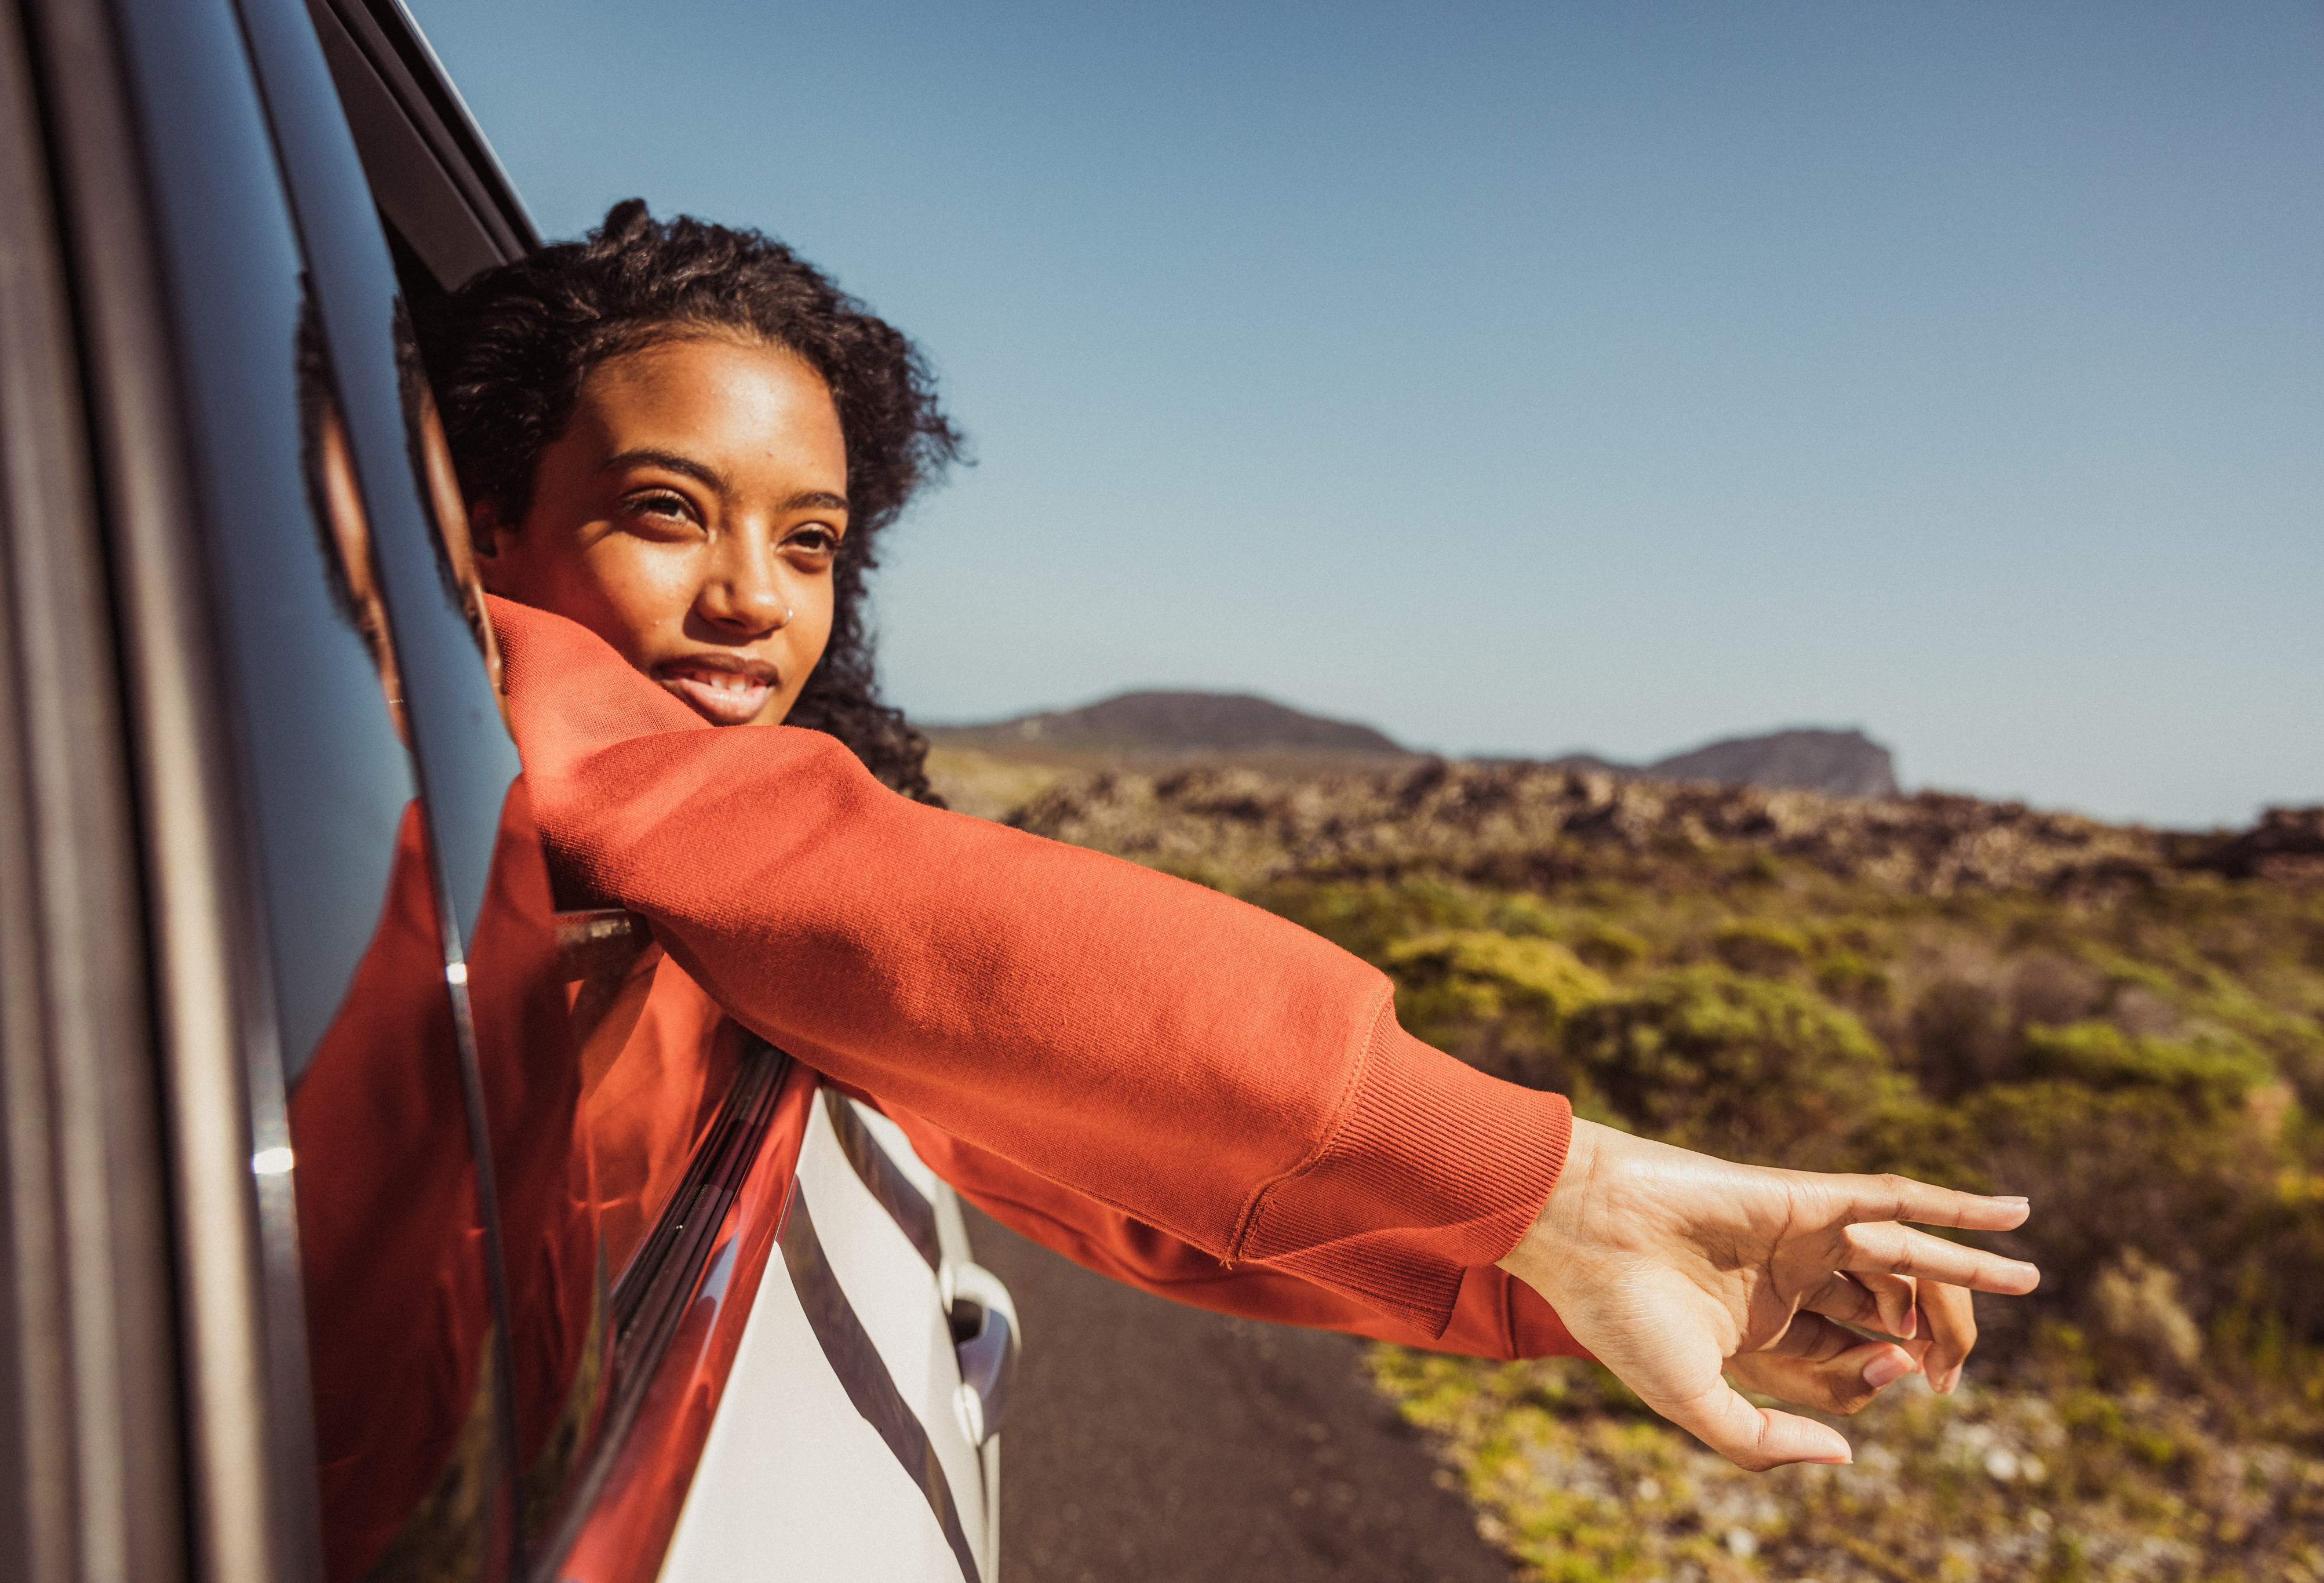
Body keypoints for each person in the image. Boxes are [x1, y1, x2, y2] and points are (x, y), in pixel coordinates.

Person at [431, 200, 2037, 1475]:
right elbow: (862, 882)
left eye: (811, 541)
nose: (752, 600)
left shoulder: (692, 868)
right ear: (489, 520)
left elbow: (1120, 1156)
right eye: (664, 510)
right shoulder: (488, 690)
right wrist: (1550, 1181)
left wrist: (1543, 1269)